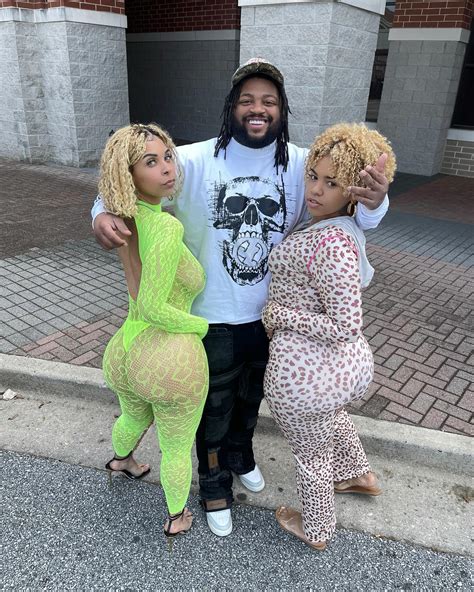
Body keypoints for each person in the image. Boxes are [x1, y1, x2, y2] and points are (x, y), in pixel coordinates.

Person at [92, 58, 391, 537]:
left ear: (281, 109)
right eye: (247, 99)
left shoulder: (303, 164)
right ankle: (213, 486)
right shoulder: (191, 160)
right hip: (209, 318)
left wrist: (376, 201)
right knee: (211, 408)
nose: (258, 108)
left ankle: (242, 456)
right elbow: (125, 179)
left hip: (270, 320)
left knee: (250, 402)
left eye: (268, 101)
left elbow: (357, 214)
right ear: (231, 105)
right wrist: (100, 213)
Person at [262, 122, 396, 550]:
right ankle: (358, 475)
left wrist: (280, 314)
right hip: (336, 372)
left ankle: (316, 528)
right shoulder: (331, 227)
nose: (316, 190)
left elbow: (346, 325)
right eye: (314, 177)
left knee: (311, 456)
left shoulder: (333, 243)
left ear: (353, 191)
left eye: (332, 183)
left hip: (307, 376)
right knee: (332, 417)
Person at [99, 123, 209, 546]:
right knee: (176, 445)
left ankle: (121, 460)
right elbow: (153, 307)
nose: (166, 168)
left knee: (133, 416)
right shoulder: (165, 228)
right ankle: (177, 516)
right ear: (128, 174)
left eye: (167, 157)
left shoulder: (124, 218)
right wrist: (199, 326)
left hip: (124, 348)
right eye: (151, 161)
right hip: (165, 354)